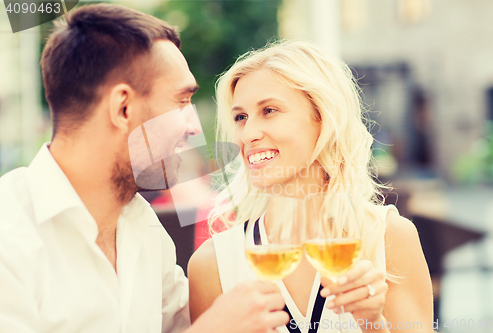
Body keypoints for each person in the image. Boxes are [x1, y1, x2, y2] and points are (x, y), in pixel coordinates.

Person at [0, 4, 288, 333]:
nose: (193, 126)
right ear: (123, 108)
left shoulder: (143, 228)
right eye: (181, 102)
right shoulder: (9, 237)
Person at [189, 41, 434, 332]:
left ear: (323, 118)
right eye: (240, 117)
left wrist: (371, 322)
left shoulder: (389, 238)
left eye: (269, 110)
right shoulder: (211, 263)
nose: (248, 134)